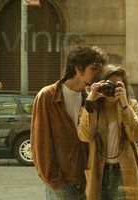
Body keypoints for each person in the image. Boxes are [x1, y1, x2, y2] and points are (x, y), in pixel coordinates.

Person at [30, 46, 107, 200]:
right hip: (62, 183)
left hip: (88, 180)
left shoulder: (91, 97)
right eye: (94, 68)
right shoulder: (48, 96)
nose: (98, 73)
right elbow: (40, 143)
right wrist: (55, 181)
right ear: (79, 68)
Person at [77, 64, 138, 200]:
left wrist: (124, 104)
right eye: (109, 85)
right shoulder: (92, 107)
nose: (112, 89)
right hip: (99, 171)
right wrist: (90, 100)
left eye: (117, 85)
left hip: (124, 171)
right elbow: (85, 136)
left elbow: (136, 135)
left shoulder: (130, 105)